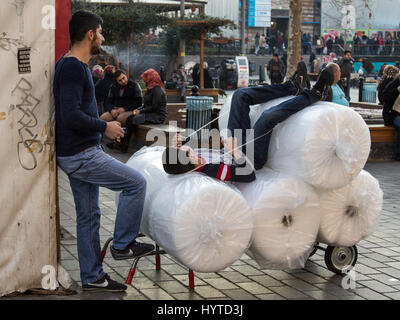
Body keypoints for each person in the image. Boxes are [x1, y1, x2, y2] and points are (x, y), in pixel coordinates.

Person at [54, 10, 154, 292]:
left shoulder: (70, 64)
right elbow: (70, 115)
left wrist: (107, 120)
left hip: (75, 152)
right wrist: (103, 127)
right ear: (89, 34)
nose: (102, 37)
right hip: (82, 153)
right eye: (99, 32)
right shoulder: (74, 67)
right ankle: (122, 245)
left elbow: (74, 111)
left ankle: (93, 277)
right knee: (136, 183)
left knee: (89, 216)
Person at [162, 67, 335, 175]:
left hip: (235, 147)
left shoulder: (195, 159)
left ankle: (291, 87)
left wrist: (182, 141)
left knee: (240, 95)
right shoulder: (210, 171)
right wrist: (235, 151)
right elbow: (247, 174)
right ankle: (315, 93)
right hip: (250, 158)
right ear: (188, 161)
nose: (188, 149)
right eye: (186, 150)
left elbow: (199, 147)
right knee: (267, 117)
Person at [112, 69, 168, 153]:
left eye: (145, 78)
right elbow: (146, 105)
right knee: (130, 118)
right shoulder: (151, 88)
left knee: (135, 119)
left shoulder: (157, 90)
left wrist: (140, 112)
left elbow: (154, 107)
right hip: (150, 113)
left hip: (157, 116)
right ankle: (123, 143)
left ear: (151, 78)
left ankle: (122, 143)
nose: (143, 80)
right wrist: (138, 109)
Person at [382, 73, 400, 160]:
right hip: (392, 115)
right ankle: (398, 153)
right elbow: (384, 97)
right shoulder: (393, 84)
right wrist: (396, 90)